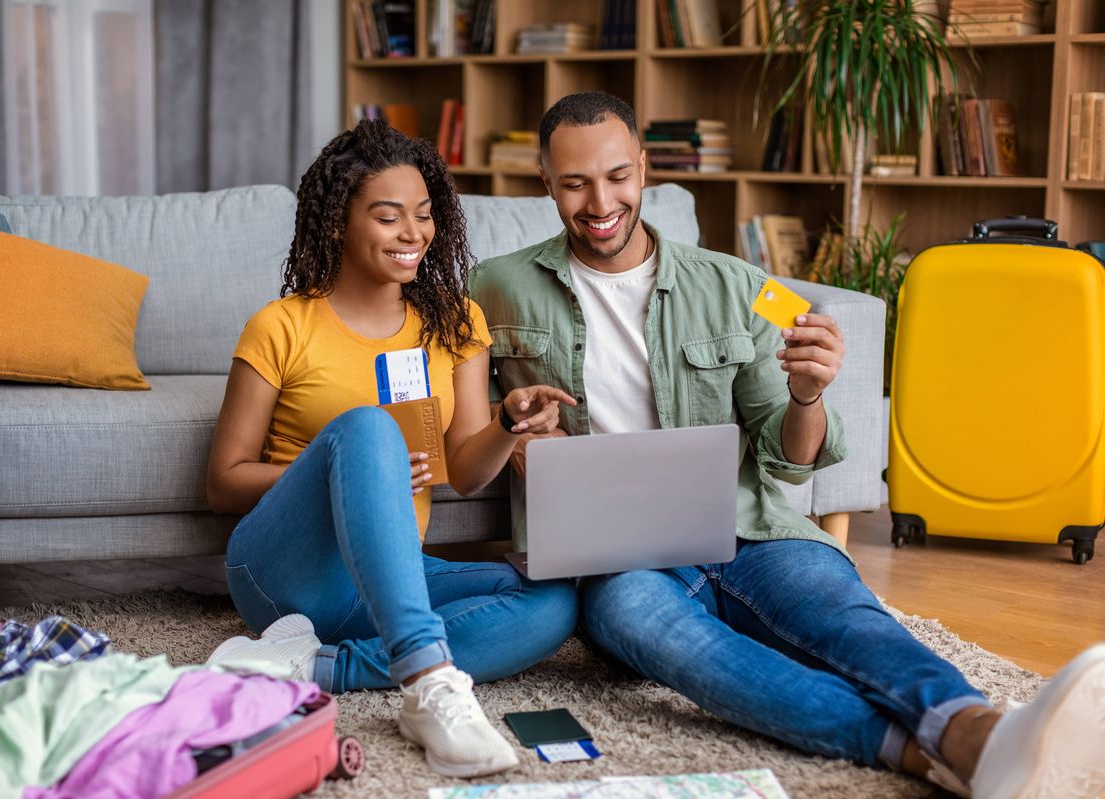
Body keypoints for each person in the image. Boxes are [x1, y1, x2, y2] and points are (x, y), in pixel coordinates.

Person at [469, 91, 1105, 799]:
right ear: (545, 184)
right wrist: (513, 430)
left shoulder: (741, 286)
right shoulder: (495, 287)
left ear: (644, 168)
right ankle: (920, 751)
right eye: (574, 183)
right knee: (685, 650)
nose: (600, 201)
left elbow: (789, 459)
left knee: (843, 617)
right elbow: (455, 403)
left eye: (617, 175)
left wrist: (808, 393)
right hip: (614, 560)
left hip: (750, 527)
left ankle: (974, 730)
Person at [204, 118, 578, 778]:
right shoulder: (281, 326)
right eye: (388, 217)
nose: (413, 235)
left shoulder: (456, 322)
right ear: (338, 222)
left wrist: (505, 424)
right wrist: (340, 466)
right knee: (369, 427)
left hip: (389, 573)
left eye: (425, 216)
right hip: (285, 577)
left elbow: (461, 472)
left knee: (551, 601)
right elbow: (223, 480)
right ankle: (427, 680)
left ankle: (320, 665)